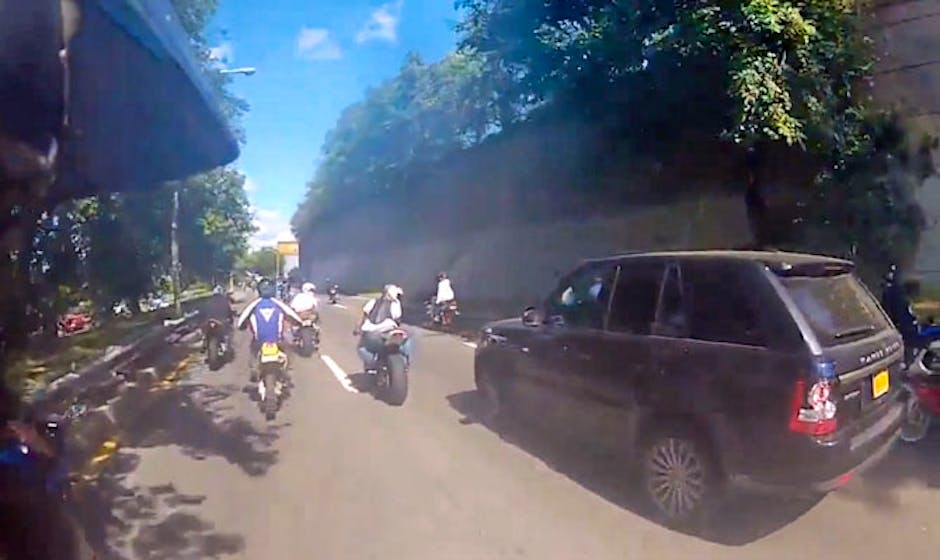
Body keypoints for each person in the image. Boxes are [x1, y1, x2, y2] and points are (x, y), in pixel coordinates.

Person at [237, 278, 304, 380]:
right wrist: (299, 323)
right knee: (288, 349)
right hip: (278, 340)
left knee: (253, 352)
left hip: (259, 341)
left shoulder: (254, 305)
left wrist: (242, 326)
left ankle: (254, 369)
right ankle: (287, 369)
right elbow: (293, 316)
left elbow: (241, 321)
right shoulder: (278, 303)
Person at [355, 284, 413, 373]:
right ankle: (405, 363)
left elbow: (364, 316)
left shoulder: (373, 302)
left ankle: (372, 365)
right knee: (406, 343)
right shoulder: (396, 304)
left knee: (362, 348)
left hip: (373, 333)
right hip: (389, 332)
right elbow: (397, 319)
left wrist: (358, 329)